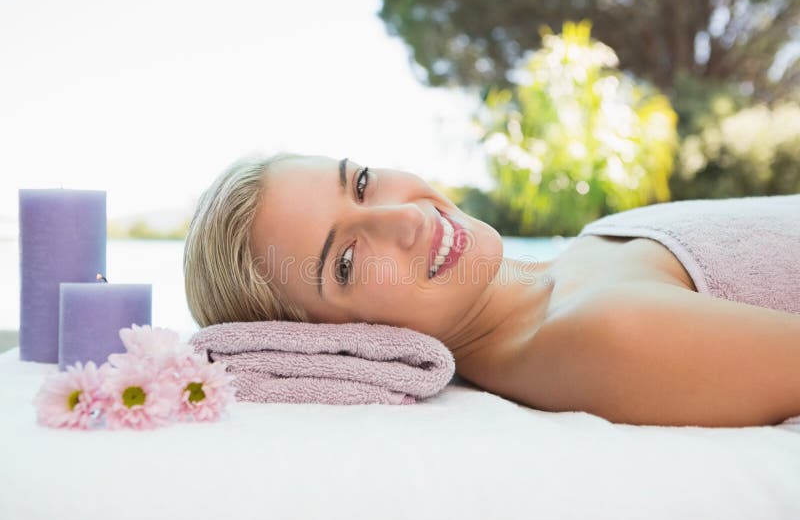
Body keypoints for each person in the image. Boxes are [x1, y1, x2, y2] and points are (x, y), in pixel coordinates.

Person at [184, 152, 800, 428]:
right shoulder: (601, 336)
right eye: (344, 262)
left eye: (363, 182)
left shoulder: (574, 260)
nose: (408, 219)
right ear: (342, 344)